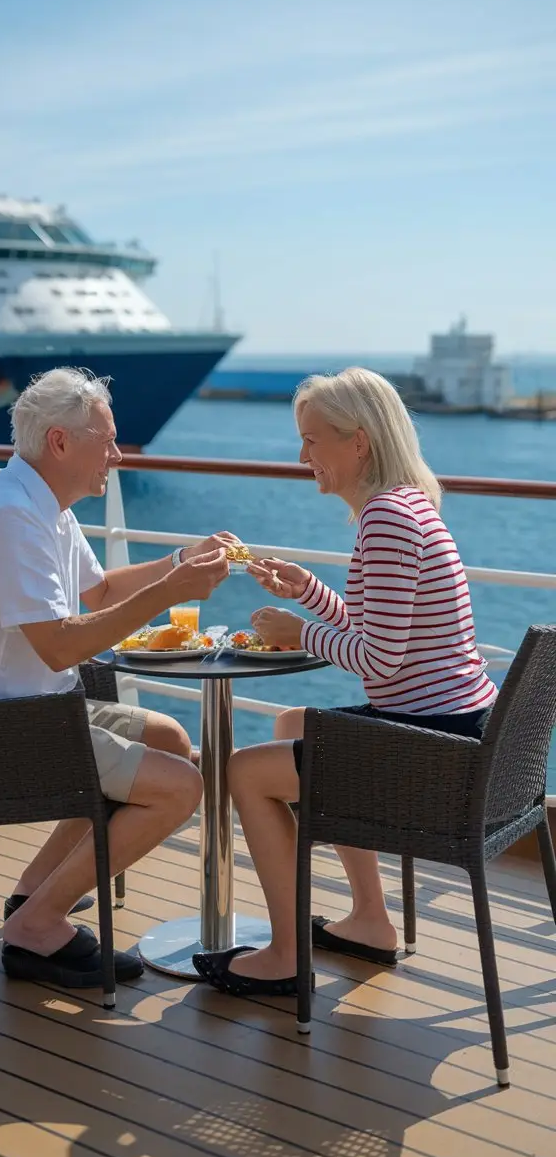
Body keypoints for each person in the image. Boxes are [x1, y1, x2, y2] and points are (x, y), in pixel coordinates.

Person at [0, 366, 234, 990]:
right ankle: (36, 929)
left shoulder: (39, 503)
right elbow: (60, 647)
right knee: (179, 788)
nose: (116, 453)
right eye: (106, 439)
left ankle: (33, 894)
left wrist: (179, 561)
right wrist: (171, 590)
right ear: (60, 442)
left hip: (28, 710)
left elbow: (99, 590)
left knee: (167, 738)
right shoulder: (12, 516)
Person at [193, 366, 498, 997]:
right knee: (293, 726)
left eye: (312, 439)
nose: (302, 454)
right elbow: (380, 633)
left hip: (433, 750)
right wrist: (308, 593)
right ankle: (368, 920)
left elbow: (379, 662)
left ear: (357, 442)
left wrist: (296, 633)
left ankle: (283, 956)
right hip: (459, 733)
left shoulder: (386, 520)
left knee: (245, 770)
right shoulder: (405, 508)